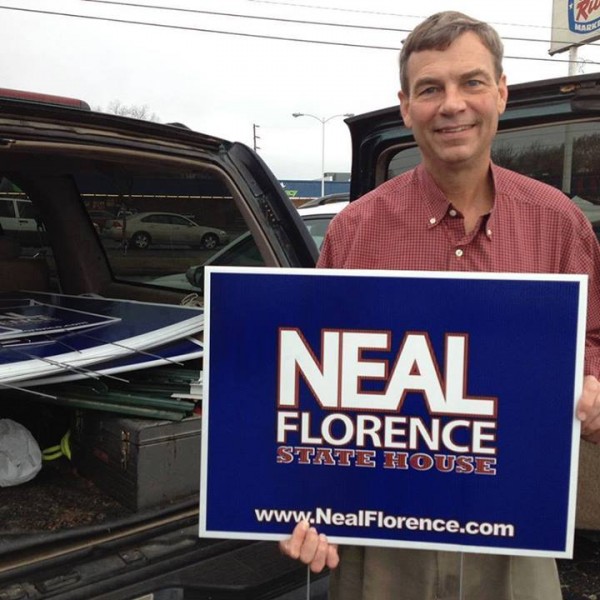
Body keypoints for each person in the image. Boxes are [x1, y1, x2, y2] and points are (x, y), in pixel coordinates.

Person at [279, 10, 600, 600]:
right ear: (406, 106)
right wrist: (305, 502)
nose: (452, 104)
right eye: (431, 89)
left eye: (471, 82)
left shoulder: (559, 221)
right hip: (383, 537)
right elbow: (314, 375)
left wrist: (593, 382)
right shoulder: (355, 230)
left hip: (516, 526)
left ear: (500, 92)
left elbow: (597, 335)